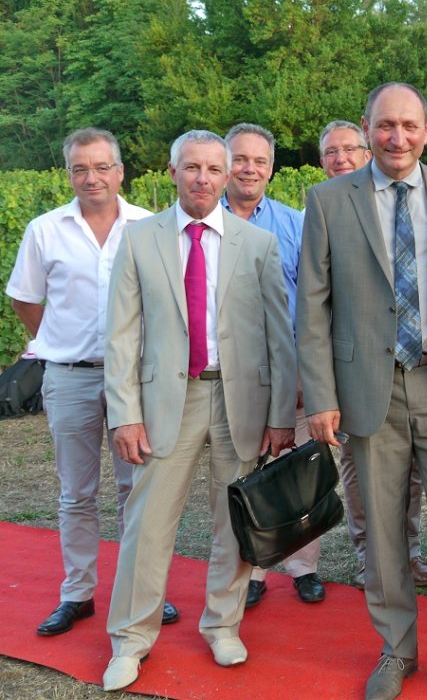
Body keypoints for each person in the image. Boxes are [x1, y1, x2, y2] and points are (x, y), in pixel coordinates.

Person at [298, 83, 427, 700]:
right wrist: (321, 395)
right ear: (367, 127)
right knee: (384, 526)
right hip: (369, 390)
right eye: (385, 125)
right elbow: (312, 308)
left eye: (409, 126)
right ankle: (396, 649)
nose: (397, 137)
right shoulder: (329, 200)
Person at [101, 130, 297, 692]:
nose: (203, 178)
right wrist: (125, 415)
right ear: (172, 171)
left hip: (241, 400)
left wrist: (281, 414)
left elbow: (278, 336)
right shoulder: (140, 238)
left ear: (228, 173)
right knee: (147, 523)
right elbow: (120, 335)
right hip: (169, 398)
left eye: (215, 169)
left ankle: (223, 624)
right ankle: (131, 639)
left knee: (234, 521)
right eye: (192, 168)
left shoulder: (255, 243)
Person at [5, 128, 180, 635]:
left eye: (102, 166)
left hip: (136, 382)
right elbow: (24, 297)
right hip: (71, 379)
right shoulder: (44, 230)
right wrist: (55, 342)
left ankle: (141, 591)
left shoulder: (150, 227)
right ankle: (78, 593)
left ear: (120, 171)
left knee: (137, 490)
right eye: (80, 168)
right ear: (69, 174)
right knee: (76, 494)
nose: (92, 177)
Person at [317, 120, 427, 591]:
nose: (341, 157)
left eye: (350, 148)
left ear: (367, 151)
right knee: (359, 476)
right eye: (331, 151)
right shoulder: (322, 208)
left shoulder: (393, 206)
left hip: (407, 367)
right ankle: (370, 554)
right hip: (350, 374)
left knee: (408, 476)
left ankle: (406, 554)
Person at [221, 122, 325, 607]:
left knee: (298, 469)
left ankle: (304, 566)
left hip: (289, 368)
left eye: (259, 161)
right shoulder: (203, 222)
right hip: (230, 373)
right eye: (240, 159)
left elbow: (313, 301)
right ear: (225, 163)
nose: (249, 169)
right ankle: (254, 571)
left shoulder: (293, 223)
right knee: (245, 471)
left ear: (271, 168)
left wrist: (307, 371)